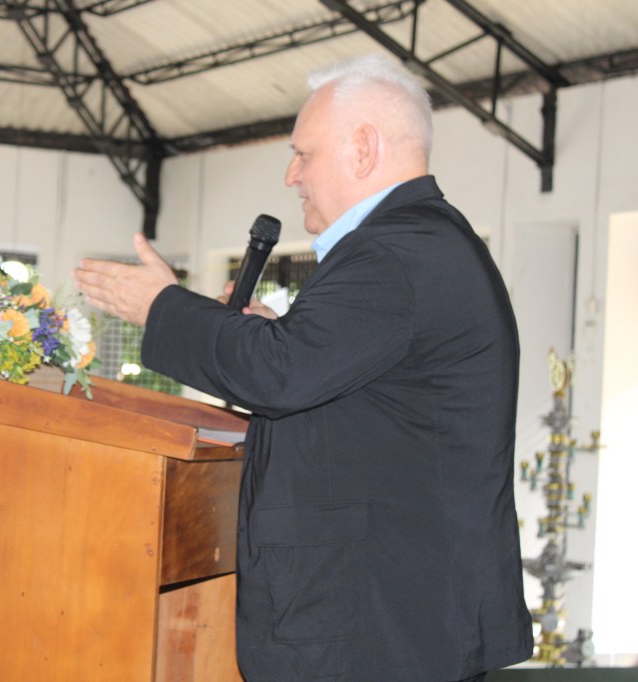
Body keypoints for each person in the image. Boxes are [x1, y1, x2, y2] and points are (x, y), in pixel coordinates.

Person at [74, 54, 533, 681]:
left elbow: (279, 374)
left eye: (303, 154)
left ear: (364, 148)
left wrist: (160, 307)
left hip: (382, 629)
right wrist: (269, 331)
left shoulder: (395, 252)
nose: (291, 175)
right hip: (392, 621)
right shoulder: (417, 243)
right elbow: (332, 379)